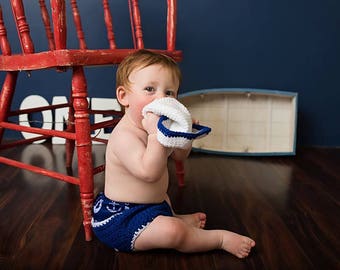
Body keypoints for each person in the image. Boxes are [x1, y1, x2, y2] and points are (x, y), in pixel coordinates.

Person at [91, 49, 255, 258]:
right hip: (122, 218)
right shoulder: (124, 136)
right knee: (173, 232)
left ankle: (173, 216)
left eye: (169, 93)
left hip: (153, 205)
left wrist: (184, 136)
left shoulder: (158, 127)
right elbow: (149, 173)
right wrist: (154, 135)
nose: (161, 99)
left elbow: (179, 157)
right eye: (150, 89)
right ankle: (219, 239)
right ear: (124, 96)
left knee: (164, 201)